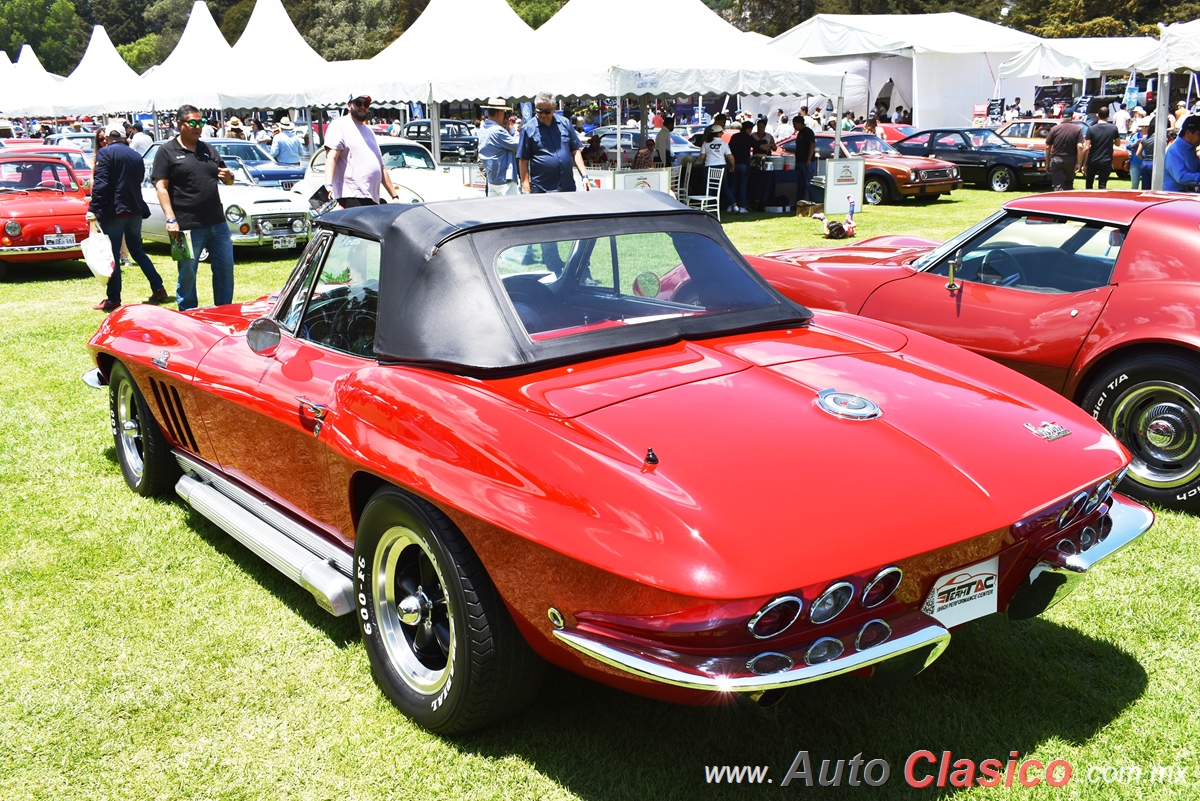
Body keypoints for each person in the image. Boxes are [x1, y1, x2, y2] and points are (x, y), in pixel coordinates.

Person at [151, 104, 235, 311]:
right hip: (184, 226)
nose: (198, 127)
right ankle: (188, 314)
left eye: (201, 122)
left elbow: (228, 179)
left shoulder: (208, 149)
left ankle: (225, 312)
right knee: (187, 272)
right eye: (193, 122)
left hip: (217, 223)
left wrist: (230, 177)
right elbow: (161, 187)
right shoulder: (166, 152)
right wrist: (170, 219)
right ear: (179, 124)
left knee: (225, 269)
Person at [88, 125, 168, 311]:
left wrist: (93, 208)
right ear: (125, 137)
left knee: (113, 255)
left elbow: (101, 183)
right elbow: (139, 179)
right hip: (135, 209)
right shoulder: (135, 156)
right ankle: (158, 287)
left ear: (107, 137)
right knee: (137, 250)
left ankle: (113, 298)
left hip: (115, 211)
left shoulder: (105, 153)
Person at [324, 94, 401, 207]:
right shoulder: (339, 125)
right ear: (349, 105)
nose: (363, 106)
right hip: (351, 196)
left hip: (372, 198)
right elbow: (331, 157)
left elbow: (381, 167)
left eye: (366, 104)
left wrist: (394, 196)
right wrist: (328, 184)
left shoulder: (369, 132)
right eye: (358, 103)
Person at [517, 92, 590, 194]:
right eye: (539, 111)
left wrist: (584, 176)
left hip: (567, 187)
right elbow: (523, 160)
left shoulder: (565, 123)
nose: (542, 115)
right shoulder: (528, 129)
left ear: (554, 108)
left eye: (546, 111)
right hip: (542, 189)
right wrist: (525, 186)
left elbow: (575, 151)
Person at [477, 97, 521, 195]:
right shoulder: (497, 131)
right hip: (505, 181)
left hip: (492, 180)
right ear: (499, 113)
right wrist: (513, 130)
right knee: (510, 209)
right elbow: (519, 145)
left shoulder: (483, 129)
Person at [700, 124, 734, 211]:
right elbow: (730, 157)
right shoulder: (724, 144)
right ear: (719, 133)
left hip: (709, 166)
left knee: (708, 186)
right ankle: (733, 204)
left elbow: (702, 157)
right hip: (721, 167)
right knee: (724, 187)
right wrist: (732, 165)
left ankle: (708, 205)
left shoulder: (706, 143)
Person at [1083, 107, 1119, 189]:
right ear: (1109, 115)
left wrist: (1084, 163)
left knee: (1089, 183)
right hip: (1106, 159)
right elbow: (1118, 143)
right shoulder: (1113, 128)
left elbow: (1086, 147)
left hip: (1093, 160)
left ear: (1097, 115)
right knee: (1102, 185)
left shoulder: (1091, 129)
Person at [1044, 118, 1084, 191]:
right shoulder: (1077, 129)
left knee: (1058, 185)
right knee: (1069, 184)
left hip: (1056, 159)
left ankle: (1058, 200)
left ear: (1062, 117)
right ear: (1072, 117)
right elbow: (1080, 146)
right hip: (1070, 160)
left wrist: (1047, 162)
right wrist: (1079, 162)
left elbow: (1047, 147)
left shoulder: (1054, 129)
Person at [1164, 115, 1200, 192]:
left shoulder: (1190, 149)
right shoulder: (1174, 150)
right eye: (1199, 134)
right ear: (1188, 133)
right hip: (1174, 197)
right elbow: (1181, 177)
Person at [728, 120, 754, 213]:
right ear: (748, 129)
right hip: (744, 163)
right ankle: (742, 206)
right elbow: (757, 145)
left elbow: (729, 148)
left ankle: (731, 205)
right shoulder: (748, 137)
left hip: (734, 163)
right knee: (743, 186)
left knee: (733, 185)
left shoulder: (734, 137)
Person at [793, 114, 816, 202]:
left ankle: (812, 201)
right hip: (800, 161)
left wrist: (809, 159)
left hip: (807, 161)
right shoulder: (800, 133)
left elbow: (812, 145)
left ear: (800, 123)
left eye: (795, 124)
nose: (794, 126)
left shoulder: (808, 132)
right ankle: (800, 201)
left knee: (808, 183)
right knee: (801, 183)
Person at [1135, 118, 1157, 191]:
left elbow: (1138, 153)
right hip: (1155, 163)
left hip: (1145, 163)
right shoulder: (1159, 138)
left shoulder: (1145, 138)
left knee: (1145, 188)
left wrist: (1144, 158)